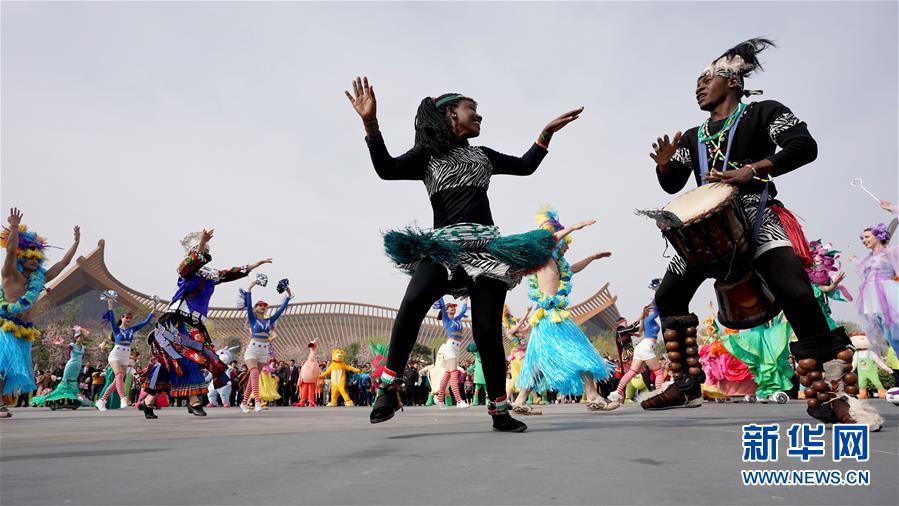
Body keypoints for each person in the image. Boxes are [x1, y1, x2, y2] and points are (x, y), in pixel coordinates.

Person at [645, 39, 881, 429]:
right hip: (705, 232)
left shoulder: (763, 113)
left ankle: (833, 397)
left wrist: (753, 169)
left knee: (798, 293)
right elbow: (672, 187)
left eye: (707, 78)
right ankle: (687, 384)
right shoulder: (693, 136)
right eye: (697, 82)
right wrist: (665, 167)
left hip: (756, 216)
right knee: (668, 296)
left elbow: (804, 146)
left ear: (733, 81)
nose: (699, 86)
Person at [346, 76, 582, 432]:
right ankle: (388, 386)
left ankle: (500, 411)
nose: (480, 116)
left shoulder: (483, 155)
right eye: (473, 109)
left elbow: (526, 164)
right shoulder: (427, 156)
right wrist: (370, 123)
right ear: (451, 113)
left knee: (488, 331)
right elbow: (386, 169)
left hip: (487, 249)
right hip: (444, 248)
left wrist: (546, 133)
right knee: (412, 303)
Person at [139, 229, 271, 419]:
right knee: (187, 358)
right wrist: (201, 243)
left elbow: (231, 273)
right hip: (177, 323)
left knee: (174, 363)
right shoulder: (184, 271)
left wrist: (254, 265)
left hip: (196, 324)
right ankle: (194, 401)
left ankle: (148, 402)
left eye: (206, 247)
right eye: (201, 247)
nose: (205, 249)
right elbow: (192, 262)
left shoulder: (210, 275)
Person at [516, 207, 618, 412]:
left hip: (547, 318)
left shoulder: (555, 264)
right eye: (565, 244)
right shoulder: (544, 260)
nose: (567, 248)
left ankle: (520, 400)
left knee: (538, 362)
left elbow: (572, 269)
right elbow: (549, 239)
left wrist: (592, 257)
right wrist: (573, 227)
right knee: (582, 351)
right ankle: (593, 396)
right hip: (551, 318)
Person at [0, 208, 80, 418]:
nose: (36, 262)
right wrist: (15, 227)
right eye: (31, 258)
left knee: (12, 370)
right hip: (5, 327)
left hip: (24, 331)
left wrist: (76, 244)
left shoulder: (38, 280)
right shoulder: (10, 274)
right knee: (4, 366)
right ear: (22, 258)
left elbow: (62, 264)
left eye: (38, 259)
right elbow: (9, 251)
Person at [849, 201, 899, 357]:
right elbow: (865, 275)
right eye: (862, 238)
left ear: (878, 235)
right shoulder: (868, 259)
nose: (864, 240)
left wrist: (892, 208)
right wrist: (856, 260)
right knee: (891, 337)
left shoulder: (891, 251)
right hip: (873, 300)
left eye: (867, 237)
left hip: (889, 295)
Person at [239, 278, 293, 413]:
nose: (263, 307)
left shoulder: (269, 321)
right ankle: (257, 401)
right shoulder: (252, 319)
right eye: (260, 305)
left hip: (263, 352)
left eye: (265, 305)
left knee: (253, 378)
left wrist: (287, 290)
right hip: (252, 350)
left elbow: (282, 309)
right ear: (256, 308)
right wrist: (251, 287)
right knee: (255, 373)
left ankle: (244, 403)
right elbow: (249, 300)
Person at [96, 295, 158, 411]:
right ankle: (123, 398)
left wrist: (154, 307)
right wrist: (110, 304)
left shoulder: (131, 329)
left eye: (130, 318)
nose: (128, 320)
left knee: (116, 381)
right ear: (122, 318)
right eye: (126, 318)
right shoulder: (116, 328)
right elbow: (111, 316)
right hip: (116, 354)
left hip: (126, 355)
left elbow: (145, 322)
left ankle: (102, 400)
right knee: (119, 376)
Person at [432, 298, 470, 409]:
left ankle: (439, 399)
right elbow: (443, 304)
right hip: (450, 347)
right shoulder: (446, 319)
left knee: (448, 374)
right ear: (447, 310)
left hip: (457, 348)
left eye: (454, 307)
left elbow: (463, 311)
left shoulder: (457, 319)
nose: (453, 308)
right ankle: (459, 401)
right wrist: (440, 292)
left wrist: (466, 299)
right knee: (454, 373)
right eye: (451, 307)